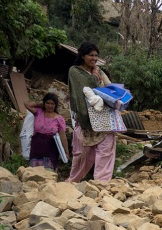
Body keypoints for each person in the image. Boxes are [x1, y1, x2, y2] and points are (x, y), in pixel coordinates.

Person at [67, 42, 117, 183]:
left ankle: (102, 183)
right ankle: (72, 182)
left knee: (106, 150)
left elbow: (109, 87)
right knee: (82, 154)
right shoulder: (75, 71)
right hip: (85, 118)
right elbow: (88, 86)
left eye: (96, 55)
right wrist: (95, 77)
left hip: (104, 116)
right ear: (83, 56)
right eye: (91, 55)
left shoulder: (99, 71)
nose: (94, 58)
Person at [24, 93, 68, 170]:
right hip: (36, 147)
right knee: (34, 173)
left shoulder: (59, 119)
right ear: (44, 103)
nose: (50, 106)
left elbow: (62, 136)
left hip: (51, 149)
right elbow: (26, 104)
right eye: (47, 103)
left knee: (49, 173)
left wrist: (66, 151)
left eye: (52, 104)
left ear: (56, 105)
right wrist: (38, 104)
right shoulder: (38, 112)